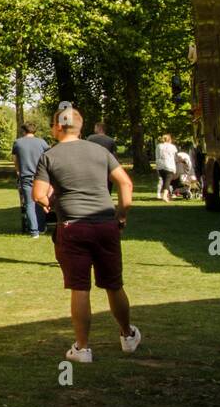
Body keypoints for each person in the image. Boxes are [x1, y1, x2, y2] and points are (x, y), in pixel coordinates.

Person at [32, 103, 140, 363]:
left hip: (71, 227)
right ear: (79, 127)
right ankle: (127, 335)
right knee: (114, 285)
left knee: (80, 288)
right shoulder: (100, 151)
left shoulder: (50, 156)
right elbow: (125, 183)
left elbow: (38, 194)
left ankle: (82, 349)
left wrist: (50, 203)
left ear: (58, 127)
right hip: (105, 224)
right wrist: (122, 214)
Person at [12, 123, 49, 238]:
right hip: (41, 177)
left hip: (26, 176)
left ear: (24, 131)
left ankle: (34, 231)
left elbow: (15, 159)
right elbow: (48, 156)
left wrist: (18, 171)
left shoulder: (18, 143)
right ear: (35, 131)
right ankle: (41, 227)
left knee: (29, 203)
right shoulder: (42, 142)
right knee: (40, 201)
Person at [155, 133, 178, 202]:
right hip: (169, 165)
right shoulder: (172, 147)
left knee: (164, 181)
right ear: (169, 139)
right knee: (167, 181)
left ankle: (165, 195)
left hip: (160, 165)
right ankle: (165, 196)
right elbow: (175, 156)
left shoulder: (158, 146)